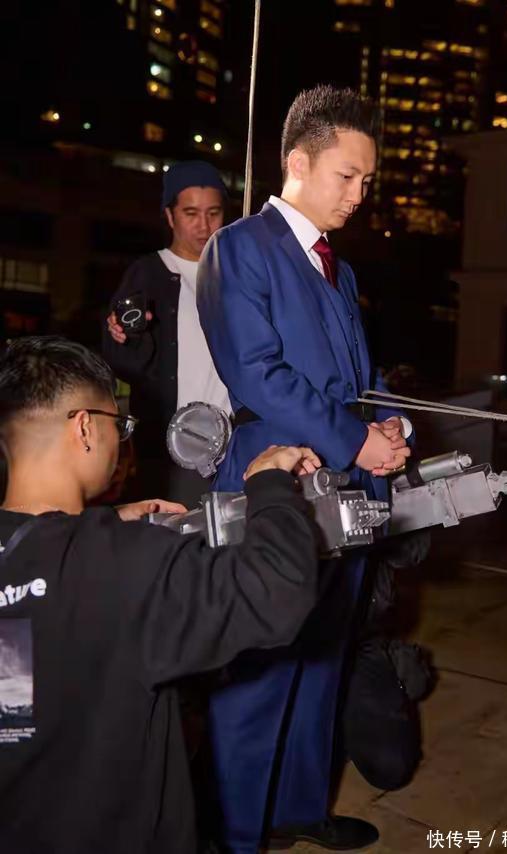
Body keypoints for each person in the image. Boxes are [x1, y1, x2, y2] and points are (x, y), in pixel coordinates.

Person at [0, 335, 324, 854]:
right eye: (119, 425)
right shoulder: (129, 565)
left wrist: (105, 522)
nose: (121, 440)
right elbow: (277, 592)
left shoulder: (67, 553)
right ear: (84, 428)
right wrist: (269, 486)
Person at [197, 85, 412, 852]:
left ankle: (298, 807)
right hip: (275, 481)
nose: (359, 195)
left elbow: (359, 378)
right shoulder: (240, 249)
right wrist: (355, 439)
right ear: (298, 162)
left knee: (323, 655)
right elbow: (258, 374)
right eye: (347, 176)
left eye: (367, 182)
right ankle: (237, 832)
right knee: (263, 662)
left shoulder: (338, 271)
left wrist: (386, 422)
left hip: (345, 484)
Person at [102, 160, 231, 506]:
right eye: (191, 213)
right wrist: (124, 336)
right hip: (174, 451)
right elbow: (121, 361)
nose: (204, 225)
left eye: (214, 213)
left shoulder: (237, 274)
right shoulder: (148, 273)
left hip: (235, 446)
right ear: (170, 216)